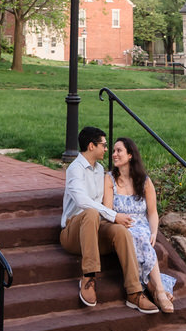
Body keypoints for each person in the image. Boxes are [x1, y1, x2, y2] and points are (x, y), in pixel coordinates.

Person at [60, 125, 158, 313]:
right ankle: (88, 277)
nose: (107, 149)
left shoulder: (100, 170)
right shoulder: (75, 169)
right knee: (89, 212)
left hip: (95, 230)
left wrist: (116, 220)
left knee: (121, 231)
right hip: (72, 233)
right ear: (91, 146)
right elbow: (82, 201)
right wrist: (114, 215)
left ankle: (134, 291)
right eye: (104, 145)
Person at [104, 136, 176, 315]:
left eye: (119, 150)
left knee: (143, 236)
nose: (114, 154)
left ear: (130, 155)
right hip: (120, 224)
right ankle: (158, 289)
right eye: (113, 151)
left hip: (142, 226)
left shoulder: (144, 181)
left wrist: (154, 232)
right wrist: (117, 218)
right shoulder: (109, 179)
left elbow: (152, 212)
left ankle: (155, 288)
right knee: (135, 236)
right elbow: (106, 209)